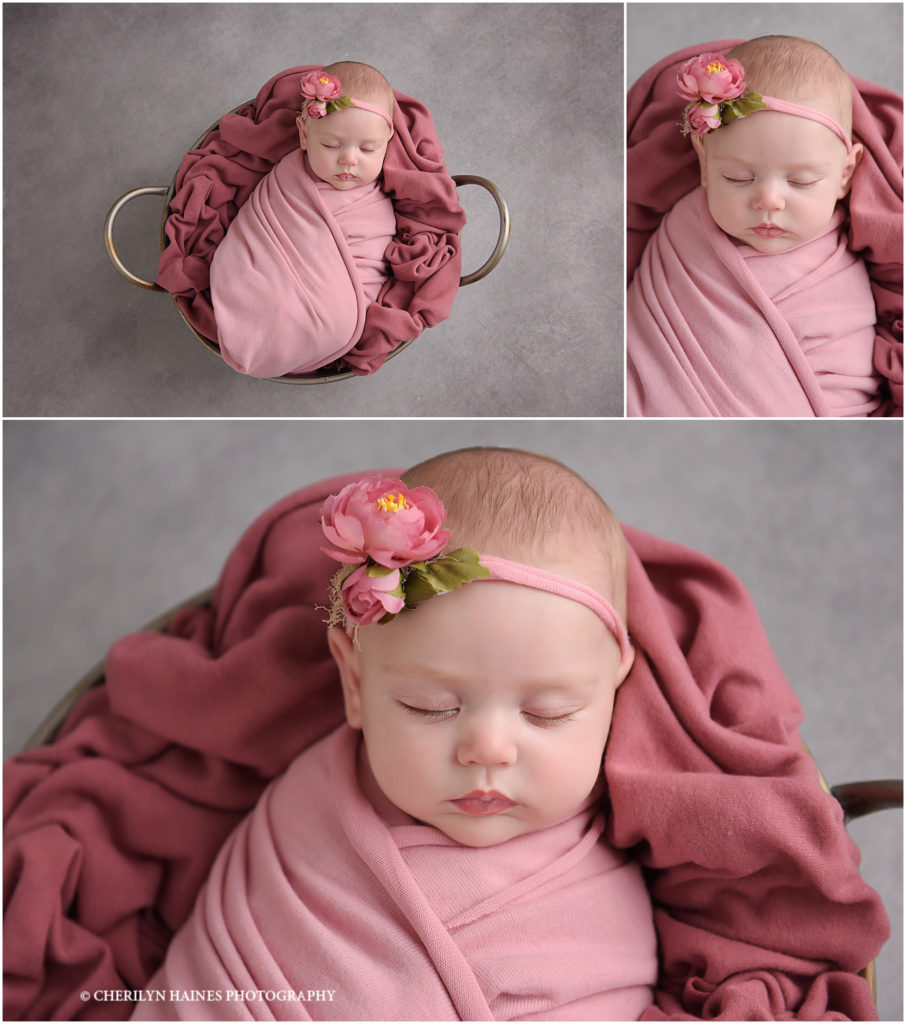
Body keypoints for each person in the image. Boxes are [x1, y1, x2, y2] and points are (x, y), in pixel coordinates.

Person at [132, 448, 660, 1020]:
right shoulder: (305, 818)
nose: (487, 750)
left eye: (548, 713)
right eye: (429, 707)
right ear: (355, 682)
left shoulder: (598, 899)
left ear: (615, 689)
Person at [627, 36, 891, 417]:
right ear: (704, 163)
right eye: (737, 177)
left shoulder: (838, 273)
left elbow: (850, 390)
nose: (768, 201)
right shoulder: (683, 231)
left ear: (845, 174)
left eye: (800, 181)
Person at [209, 62, 397, 378]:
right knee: (249, 283)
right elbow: (255, 232)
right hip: (263, 278)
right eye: (331, 145)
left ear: (387, 140)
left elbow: (370, 268)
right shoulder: (288, 179)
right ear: (304, 134)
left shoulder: (374, 205)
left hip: (326, 303)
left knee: (329, 318)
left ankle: (289, 337)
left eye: (368, 149)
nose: (349, 159)